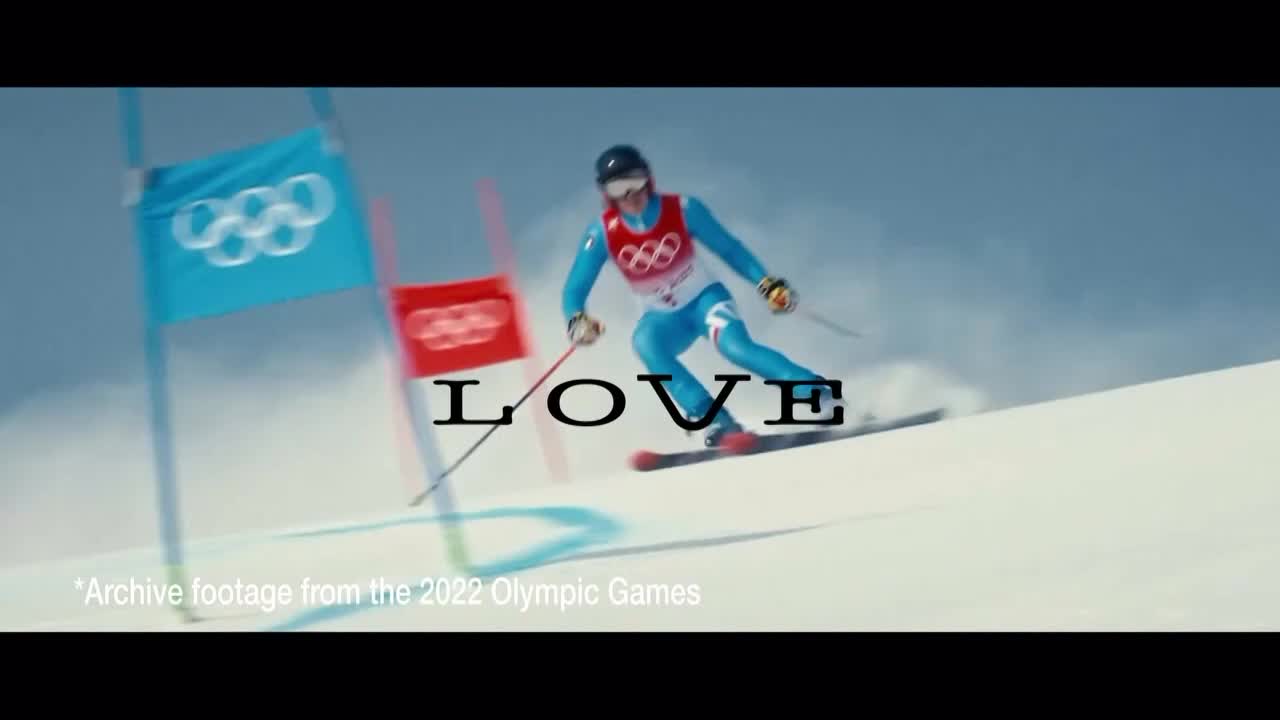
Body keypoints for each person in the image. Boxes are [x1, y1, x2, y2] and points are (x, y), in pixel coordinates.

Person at [561, 144, 846, 448]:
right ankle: (717, 422)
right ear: (607, 193)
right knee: (646, 344)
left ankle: (818, 394)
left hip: (705, 302)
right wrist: (576, 319)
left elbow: (729, 248)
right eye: (619, 187)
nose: (631, 194)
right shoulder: (602, 232)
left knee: (735, 348)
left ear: (649, 178)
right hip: (663, 318)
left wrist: (766, 283)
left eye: (635, 182)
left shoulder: (682, 209)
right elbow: (574, 288)